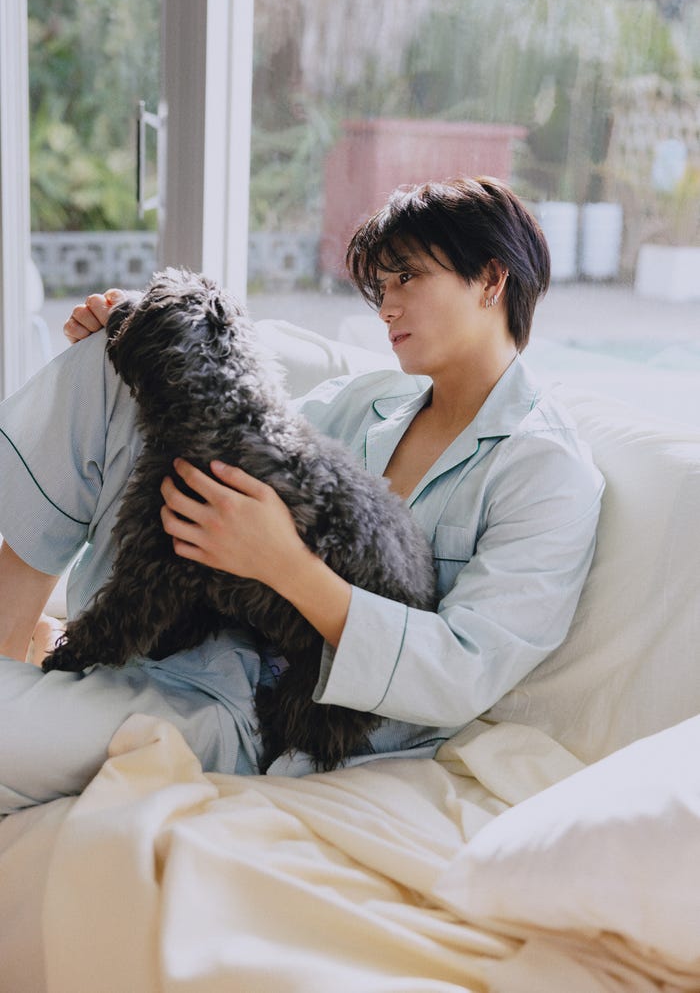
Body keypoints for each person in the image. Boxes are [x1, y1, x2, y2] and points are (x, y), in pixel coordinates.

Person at [0, 176, 604, 814]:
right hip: (191, 637)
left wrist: (285, 566)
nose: (387, 308)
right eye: (382, 286)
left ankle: (47, 663)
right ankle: (13, 636)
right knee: (116, 359)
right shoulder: (365, 401)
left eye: (408, 278)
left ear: (490, 279)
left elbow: (463, 670)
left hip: (257, 713)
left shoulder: (547, 470)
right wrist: (135, 328)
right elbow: (227, 426)